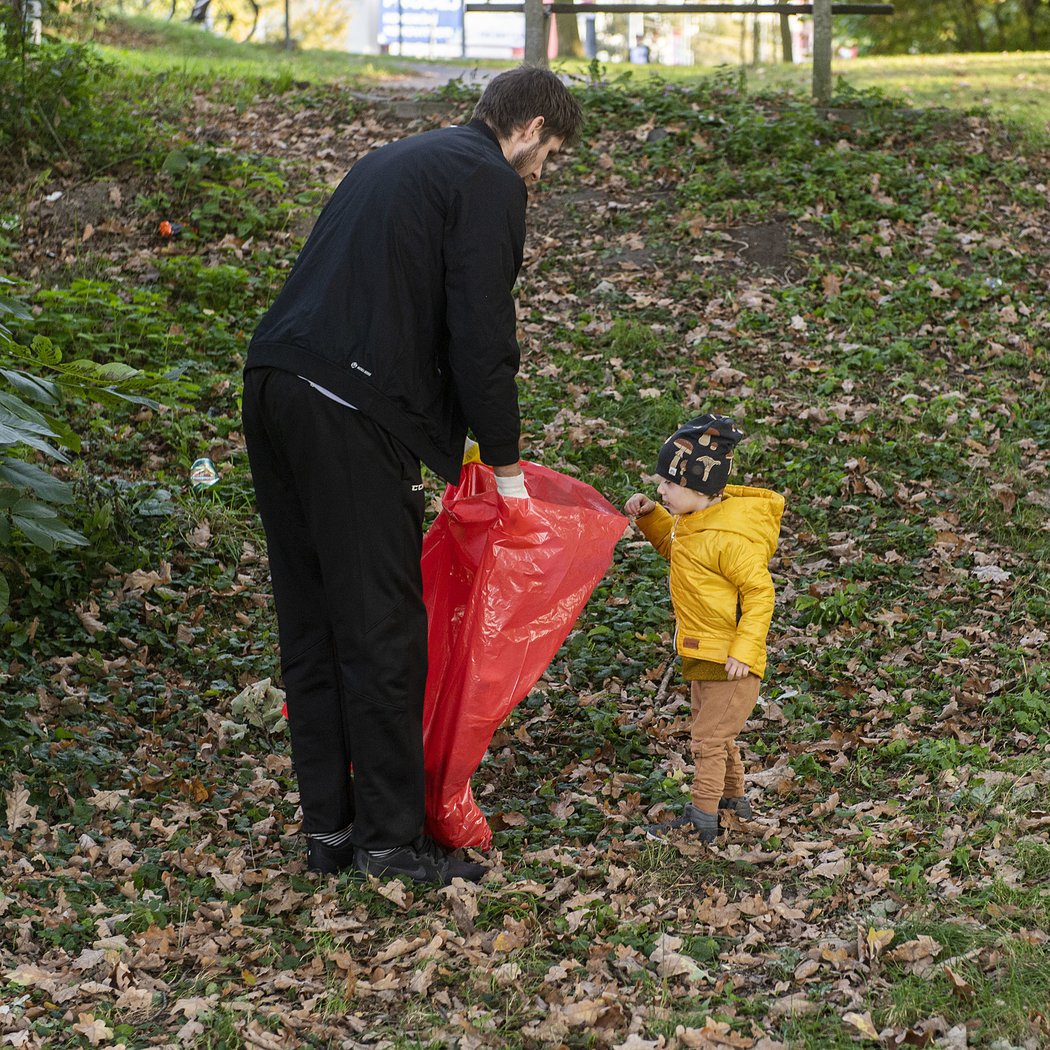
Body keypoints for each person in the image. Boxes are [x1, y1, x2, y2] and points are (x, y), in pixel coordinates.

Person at [241, 67, 583, 885]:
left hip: (272, 384)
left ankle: (330, 833)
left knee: (313, 621)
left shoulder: (396, 159)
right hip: (347, 409)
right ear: (530, 126)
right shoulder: (488, 180)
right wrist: (505, 472)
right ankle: (392, 846)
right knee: (381, 630)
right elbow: (480, 336)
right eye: (551, 156)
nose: (541, 176)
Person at [623, 415, 784, 844]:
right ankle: (734, 803)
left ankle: (704, 818)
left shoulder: (728, 539)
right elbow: (675, 551)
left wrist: (745, 650)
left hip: (731, 662)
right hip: (703, 654)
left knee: (707, 742)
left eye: (668, 486)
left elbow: (760, 594)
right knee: (720, 737)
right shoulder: (692, 525)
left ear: (699, 488)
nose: (661, 489)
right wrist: (652, 515)